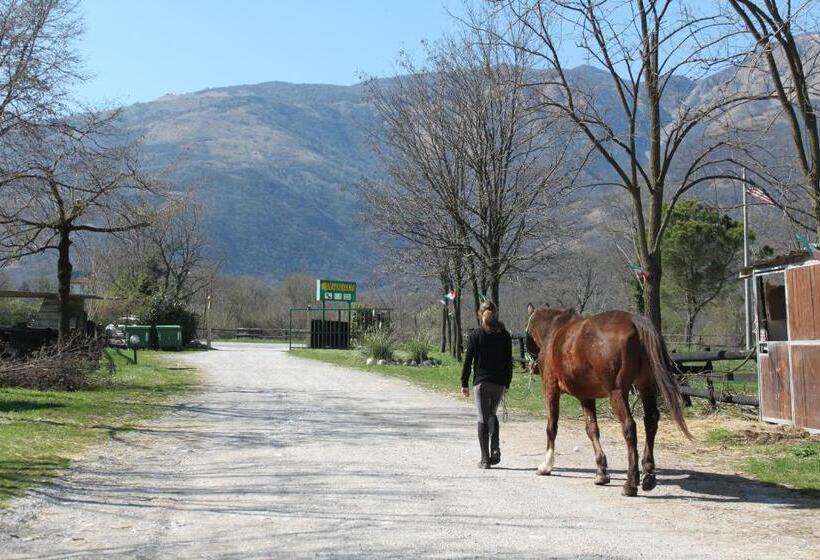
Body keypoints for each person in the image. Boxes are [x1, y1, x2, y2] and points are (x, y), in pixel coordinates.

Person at [460, 301, 513, 469]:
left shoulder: (476, 335)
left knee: (482, 418)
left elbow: (468, 362)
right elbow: (508, 362)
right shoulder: (505, 335)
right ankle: (495, 447)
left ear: (479, 314)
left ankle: (484, 459)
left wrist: (464, 382)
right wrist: (507, 382)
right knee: (491, 414)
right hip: (499, 383)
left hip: (481, 383)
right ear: (495, 314)